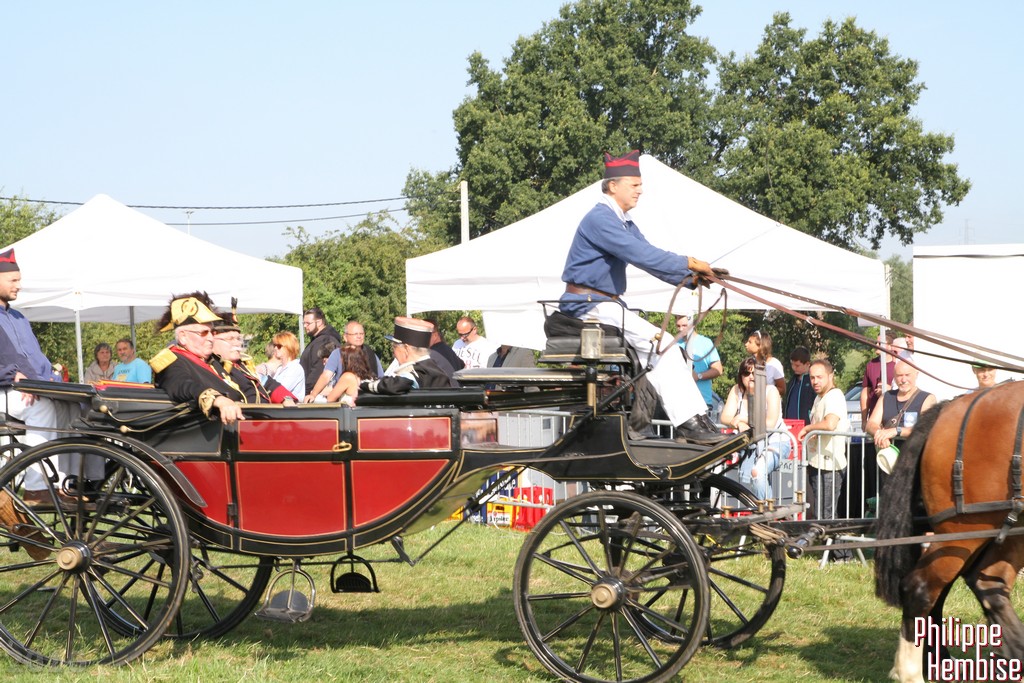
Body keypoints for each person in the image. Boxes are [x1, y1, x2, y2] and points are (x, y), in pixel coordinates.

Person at [558, 150, 725, 445]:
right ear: (613, 186)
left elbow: (649, 256)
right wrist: (688, 262)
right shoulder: (600, 219)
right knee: (664, 346)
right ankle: (689, 424)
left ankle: (693, 420)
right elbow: (642, 255)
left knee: (663, 349)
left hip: (604, 305)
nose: (640, 190)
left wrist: (692, 278)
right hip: (588, 306)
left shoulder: (623, 221)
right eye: (634, 184)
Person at [0, 248, 98, 502]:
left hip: (25, 387)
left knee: (74, 406)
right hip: (4, 389)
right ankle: (36, 487)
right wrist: (12, 375)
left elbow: (36, 360)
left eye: (19, 279)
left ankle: (69, 483)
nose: (19, 285)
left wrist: (51, 382)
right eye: (13, 280)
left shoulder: (19, 318)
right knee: (41, 407)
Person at [149, 293, 246, 425]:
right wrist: (218, 400)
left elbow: (245, 384)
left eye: (212, 332)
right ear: (183, 337)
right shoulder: (170, 361)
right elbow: (183, 385)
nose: (211, 338)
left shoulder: (213, 360)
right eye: (204, 333)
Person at [719, 357, 791, 500]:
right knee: (747, 478)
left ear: (762, 375)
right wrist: (738, 424)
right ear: (741, 376)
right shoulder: (737, 390)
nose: (751, 377)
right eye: (746, 373)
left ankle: (765, 510)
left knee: (757, 472)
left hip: (776, 442)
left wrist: (743, 418)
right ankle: (765, 507)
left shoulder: (771, 391)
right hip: (751, 444)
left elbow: (770, 423)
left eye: (755, 373)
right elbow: (725, 417)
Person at [797, 359, 851, 523]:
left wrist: (808, 429)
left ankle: (834, 540)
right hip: (818, 462)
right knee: (822, 513)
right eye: (812, 377)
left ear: (830, 376)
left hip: (830, 466)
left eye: (819, 377)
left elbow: (830, 424)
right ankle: (831, 539)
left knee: (826, 515)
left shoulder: (834, 395)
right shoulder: (820, 397)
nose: (815, 381)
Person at [866, 359, 936, 485]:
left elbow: (925, 429)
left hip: (915, 465)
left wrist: (896, 431)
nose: (903, 379)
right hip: (889, 463)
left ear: (916, 375)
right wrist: (880, 434)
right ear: (894, 377)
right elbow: (871, 424)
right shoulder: (886, 397)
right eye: (899, 375)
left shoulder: (927, 398)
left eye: (907, 375)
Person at [211, 314, 295, 404]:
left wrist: (286, 399)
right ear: (213, 340)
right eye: (230, 339)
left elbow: (268, 383)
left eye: (238, 339)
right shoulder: (211, 367)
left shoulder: (243, 365)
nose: (237, 343)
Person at [362, 317, 459, 394]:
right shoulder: (432, 367)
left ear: (406, 348)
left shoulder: (418, 371)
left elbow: (395, 385)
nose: (394, 353)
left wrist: (362, 384)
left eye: (394, 347)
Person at [303, 320, 383, 402]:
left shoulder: (370, 354)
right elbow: (326, 376)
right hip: (343, 397)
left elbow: (380, 378)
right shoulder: (337, 353)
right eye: (355, 334)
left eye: (361, 334)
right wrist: (313, 394)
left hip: (369, 399)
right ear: (345, 337)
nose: (359, 336)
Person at [676, 314, 722, 416]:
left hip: (702, 401)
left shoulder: (705, 342)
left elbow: (718, 370)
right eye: (678, 326)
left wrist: (698, 376)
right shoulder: (675, 344)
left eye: (684, 325)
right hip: (679, 402)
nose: (681, 329)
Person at [298, 307, 342, 394]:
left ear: (319, 322)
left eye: (308, 323)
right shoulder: (317, 340)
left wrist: (306, 392)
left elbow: (318, 371)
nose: (305, 326)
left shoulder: (326, 341)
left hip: (316, 395)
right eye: (304, 323)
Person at [743, 330, 786, 397]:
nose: (746, 344)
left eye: (750, 342)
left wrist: (763, 389)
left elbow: (782, 390)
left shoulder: (774, 364)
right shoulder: (749, 363)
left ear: (760, 345)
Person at [784, 346, 815, 424]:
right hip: (789, 425)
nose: (794, 368)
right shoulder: (792, 382)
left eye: (797, 365)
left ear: (807, 364)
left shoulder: (813, 383)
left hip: (806, 426)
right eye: (792, 364)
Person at [270, 331, 305, 400]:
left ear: (288, 347)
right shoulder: (280, 368)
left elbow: (279, 390)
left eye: (279, 346)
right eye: (274, 345)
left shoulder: (295, 368)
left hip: (291, 406)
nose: (275, 348)